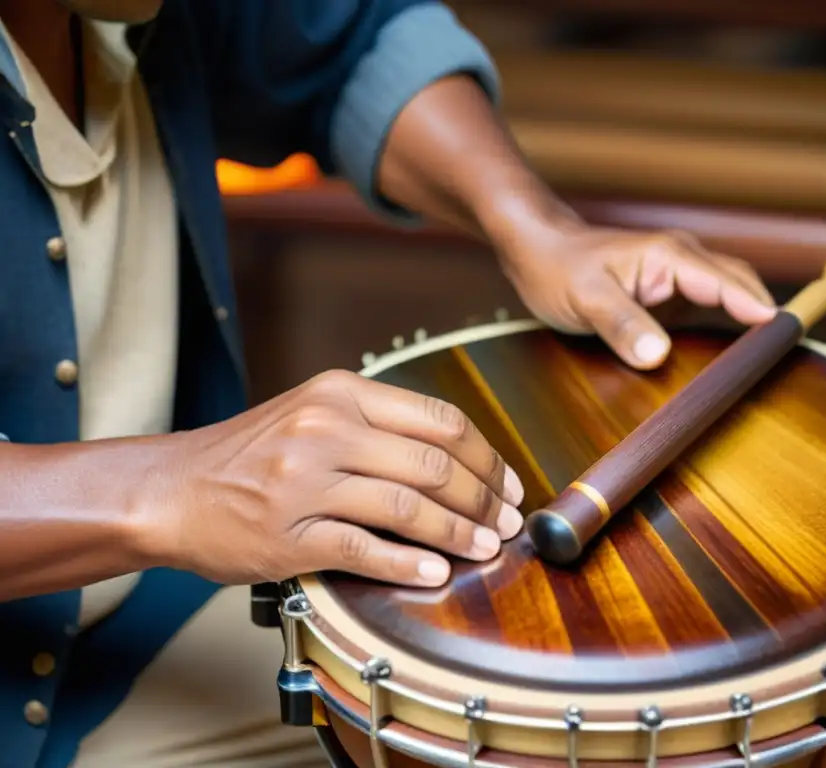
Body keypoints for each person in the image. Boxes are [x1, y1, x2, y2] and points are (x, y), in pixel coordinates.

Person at [0, 1, 777, 765]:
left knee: (551, 710)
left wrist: (534, 225)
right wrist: (171, 490)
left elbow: (351, 44)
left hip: (147, 620)